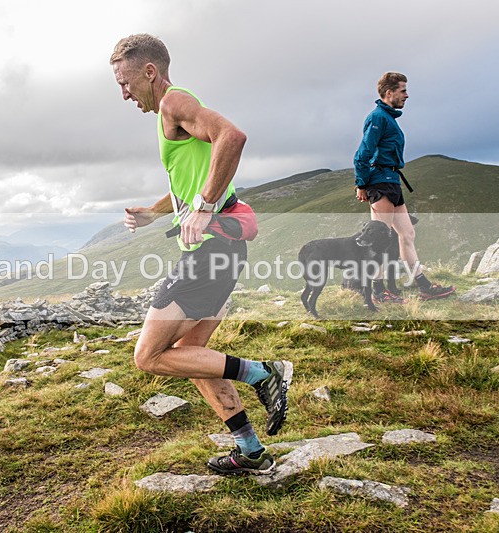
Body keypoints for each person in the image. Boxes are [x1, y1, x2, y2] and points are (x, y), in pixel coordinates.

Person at [110, 34, 291, 475]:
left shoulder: (175, 101)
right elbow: (190, 183)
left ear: (149, 71)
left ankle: (264, 373)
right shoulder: (170, 115)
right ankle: (250, 450)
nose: (124, 93)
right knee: (191, 354)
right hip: (224, 250)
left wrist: (206, 205)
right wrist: (156, 212)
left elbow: (233, 135)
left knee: (148, 357)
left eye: (126, 82)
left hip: (212, 250)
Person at [353, 72, 455, 302]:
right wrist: (361, 184)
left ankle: (424, 286)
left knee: (407, 234)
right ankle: (378, 292)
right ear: (389, 93)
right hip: (380, 182)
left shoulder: (388, 118)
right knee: (380, 240)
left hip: (392, 182)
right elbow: (362, 154)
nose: (407, 95)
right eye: (402, 91)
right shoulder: (378, 118)